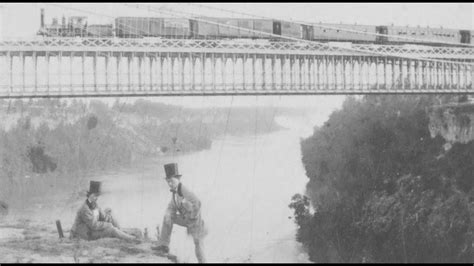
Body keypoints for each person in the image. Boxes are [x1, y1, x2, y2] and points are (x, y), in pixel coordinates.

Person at [153, 163, 208, 263]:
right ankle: (164, 245)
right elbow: (171, 207)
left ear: (178, 179)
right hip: (186, 219)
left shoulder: (183, 189)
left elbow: (197, 202)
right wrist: (169, 214)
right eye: (168, 181)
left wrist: (192, 218)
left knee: (199, 246)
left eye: (172, 181)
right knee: (168, 217)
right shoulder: (175, 192)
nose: (170, 183)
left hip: (195, 222)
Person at [70, 180, 140, 242]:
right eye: (94, 196)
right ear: (89, 195)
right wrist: (108, 225)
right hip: (85, 234)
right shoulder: (84, 209)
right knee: (111, 230)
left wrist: (109, 217)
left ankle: (121, 232)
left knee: (110, 216)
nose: (96, 198)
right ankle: (132, 239)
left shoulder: (95, 205)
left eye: (97, 196)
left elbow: (103, 217)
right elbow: (93, 225)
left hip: (92, 230)